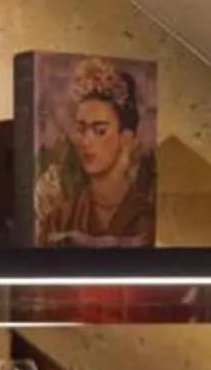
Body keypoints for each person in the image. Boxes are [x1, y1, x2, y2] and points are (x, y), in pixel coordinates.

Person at [34, 57, 156, 247]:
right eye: (81, 129)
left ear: (126, 138)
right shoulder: (59, 220)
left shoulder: (147, 220)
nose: (86, 141)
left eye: (100, 131)